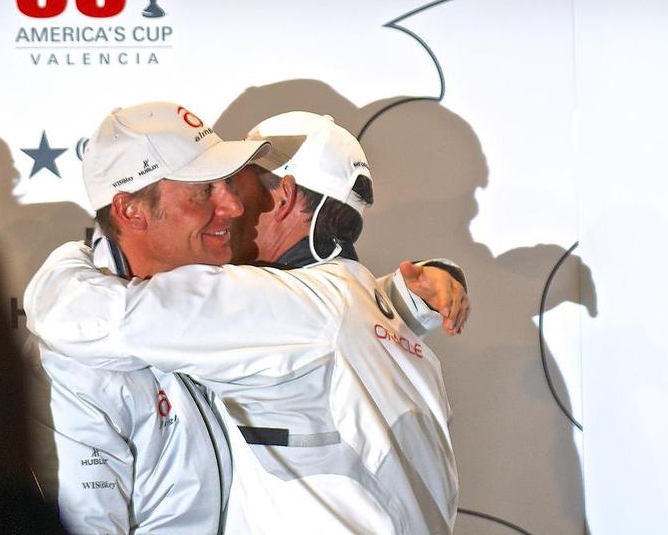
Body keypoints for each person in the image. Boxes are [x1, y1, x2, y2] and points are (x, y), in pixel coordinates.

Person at [26, 103, 465, 534]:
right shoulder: (361, 304)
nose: (232, 205)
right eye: (207, 188)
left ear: (286, 195)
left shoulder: (274, 307)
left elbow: (83, 317)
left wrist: (63, 268)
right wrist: (418, 291)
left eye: (235, 184)